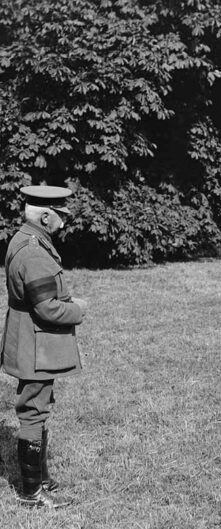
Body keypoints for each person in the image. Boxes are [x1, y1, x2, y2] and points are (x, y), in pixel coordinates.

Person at [1, 185, 88, 508]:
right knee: (34, 413)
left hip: (28, 339)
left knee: (38, 406)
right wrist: (79, 309)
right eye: (61, 217)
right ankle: (31, 494)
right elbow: (47, 308)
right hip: (36, 343)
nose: (64, 223)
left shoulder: (23, 239)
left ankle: (41, 480)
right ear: (46, 215)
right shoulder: (35, 251)